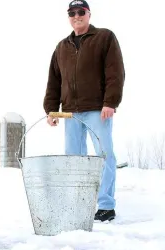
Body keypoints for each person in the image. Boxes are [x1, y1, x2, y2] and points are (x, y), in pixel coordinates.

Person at [43, 0, 125, 222]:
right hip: (70, 112)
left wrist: (111, 102)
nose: (76, 16)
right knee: (74, 159)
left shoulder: (105, 38)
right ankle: (78, 204)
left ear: (89, 14)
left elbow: (115, 72)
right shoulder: (62, 47)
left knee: (103, 155)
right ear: (68, 16)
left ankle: (106, 205)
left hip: (98, 110)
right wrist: (51, 109)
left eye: (81, 12)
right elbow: (54, 80)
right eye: (72, 12)